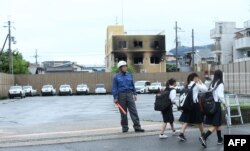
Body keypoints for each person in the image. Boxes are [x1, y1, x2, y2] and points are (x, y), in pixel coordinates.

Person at [112, 61, 145, 133]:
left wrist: (135, 94)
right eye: (124, 66)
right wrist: (115, 97)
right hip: (121, 95)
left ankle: (137, 127)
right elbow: (115, 88)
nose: (125, 67)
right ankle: (125, 127)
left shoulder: (130, 75)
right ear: (120, 68)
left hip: (129, 94)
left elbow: (132, 85)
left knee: (133, 111)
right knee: (123, 112)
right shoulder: (116, 77)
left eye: (126, 66)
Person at [199, 70, 227, 148]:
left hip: (211, 105)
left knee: (218, 123)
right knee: (215, 124)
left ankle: (220, 139)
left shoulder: (212, 83)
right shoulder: (220, 84)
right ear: (221, 75)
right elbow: (220, 95)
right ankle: (204, 137)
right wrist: (225, 103)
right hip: (217, 105)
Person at [178, 73, 208, 141]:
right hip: (195, 105)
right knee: (199, 120)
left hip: (187, 105)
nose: (198, 79)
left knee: (186, 120)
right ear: (194, 78)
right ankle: (203, 134)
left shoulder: (187, 85)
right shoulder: (196, 85)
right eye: (197, 78)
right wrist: (201, 83)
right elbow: (205, 90)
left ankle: (181, 134)